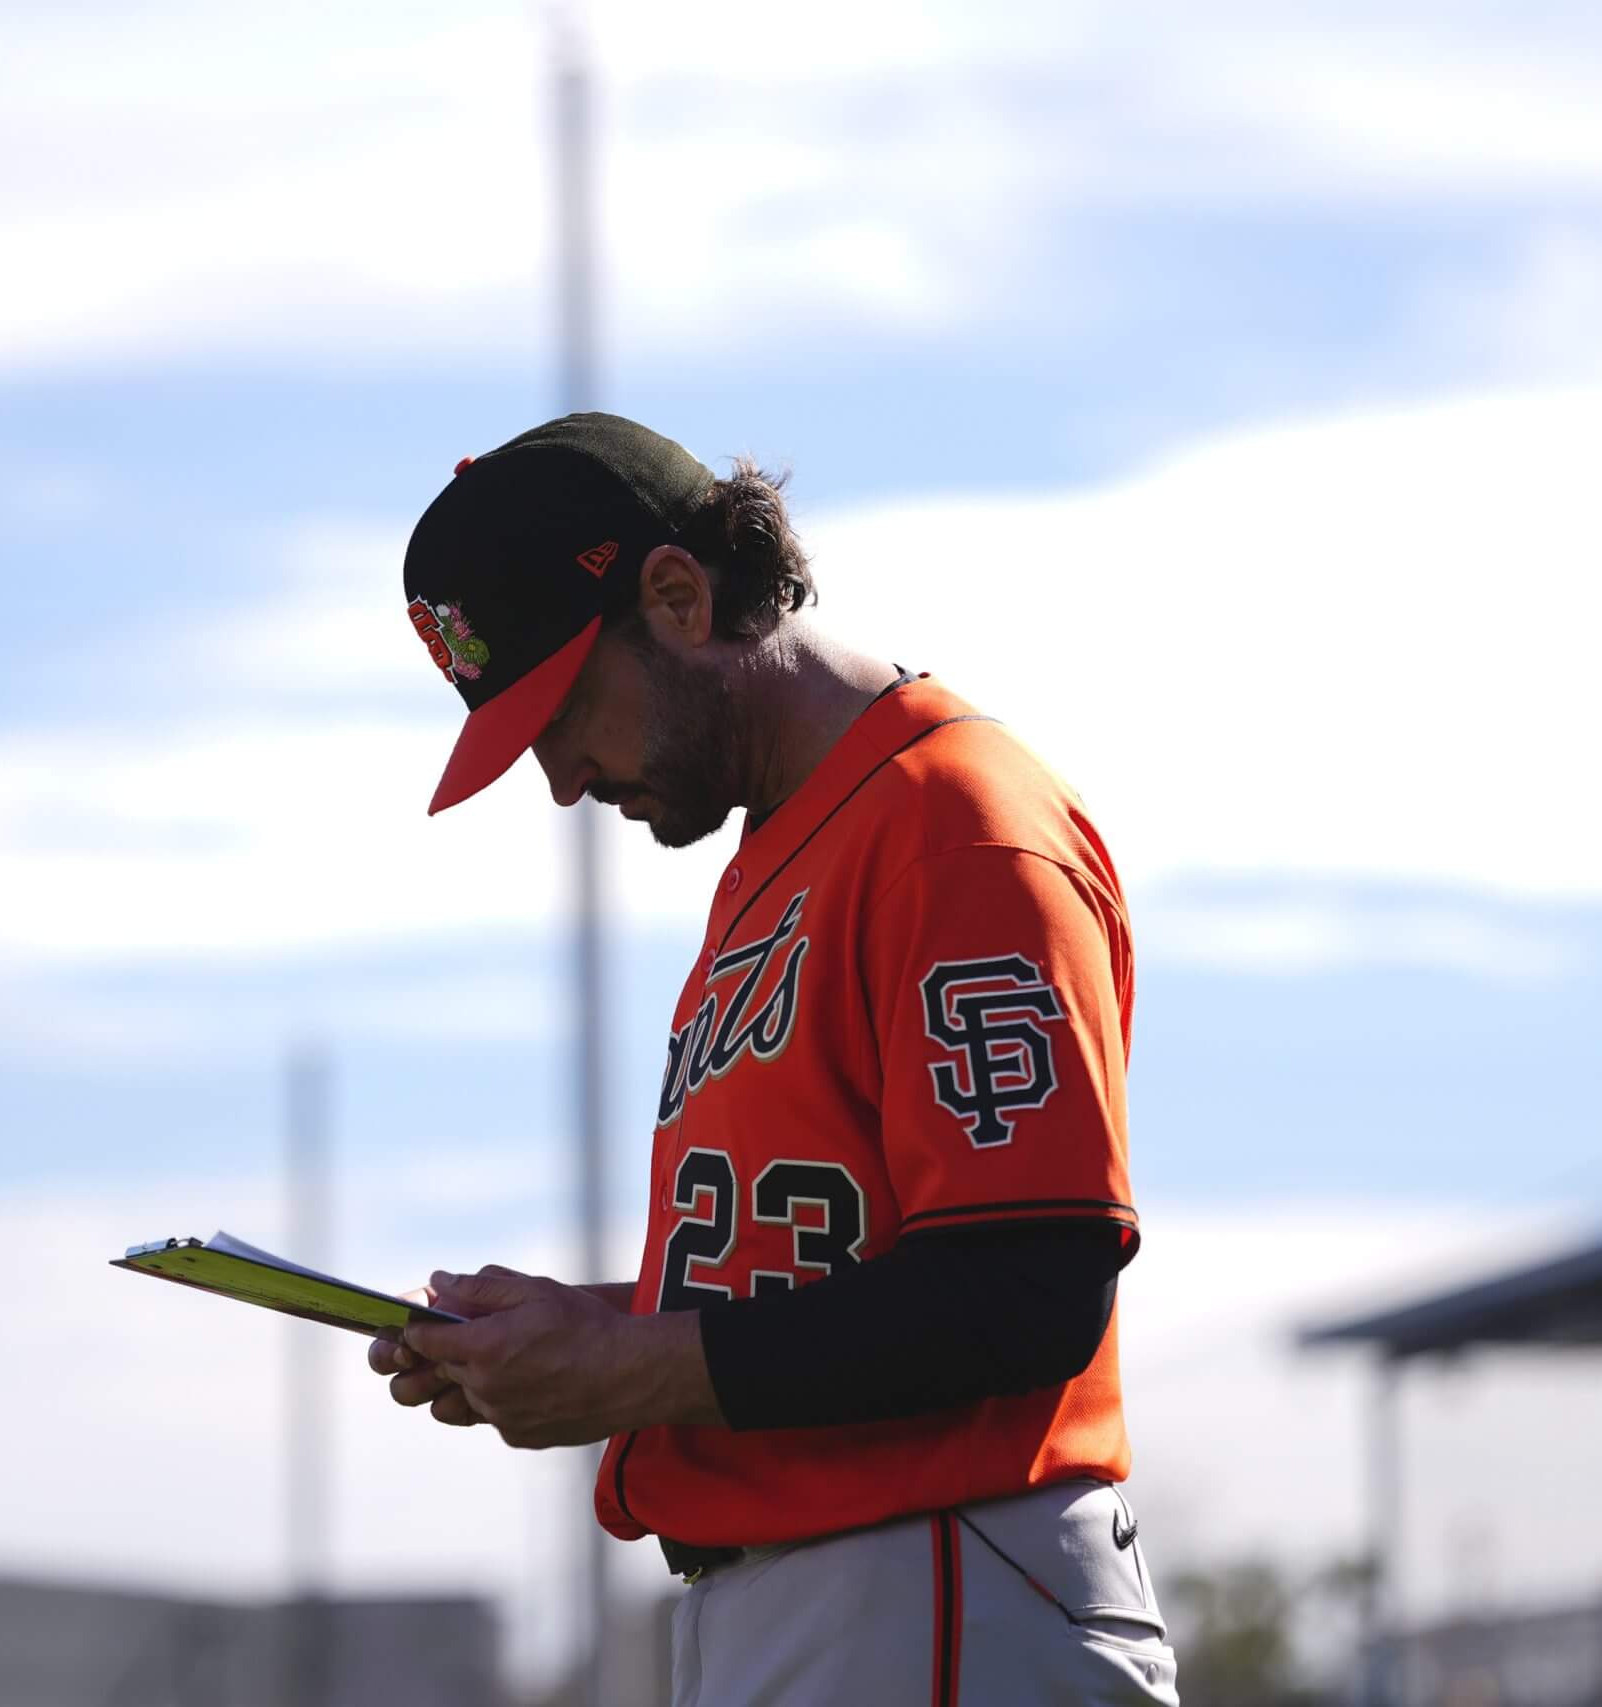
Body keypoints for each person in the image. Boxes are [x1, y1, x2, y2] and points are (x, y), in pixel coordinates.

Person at [367, 413, 1177, 1706]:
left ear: (679, 596)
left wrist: (629, 1371)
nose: (564, 777)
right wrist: (590, 1327)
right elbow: (830, 1275)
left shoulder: (953, 823)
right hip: (831, 1597)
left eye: (563, 707)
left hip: (942, 1583)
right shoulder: (780, 855)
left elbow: (1028, 1281)